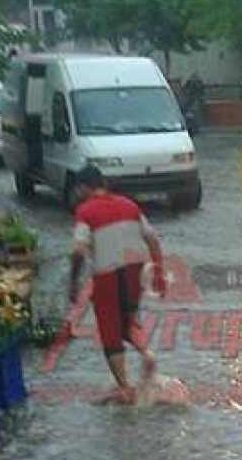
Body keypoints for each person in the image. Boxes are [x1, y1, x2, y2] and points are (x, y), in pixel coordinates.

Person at [67, 166, 168, 404]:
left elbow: (78, 251)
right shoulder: (130, 205)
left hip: (107, 275)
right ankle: (147, 354)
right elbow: (153, 239)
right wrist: (159, 274)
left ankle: (125, 388)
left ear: (83, 188)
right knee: (129, 321)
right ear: (104, 182)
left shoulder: (85, 211)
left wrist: (73, 283)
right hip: (136, 272)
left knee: (110, 333)